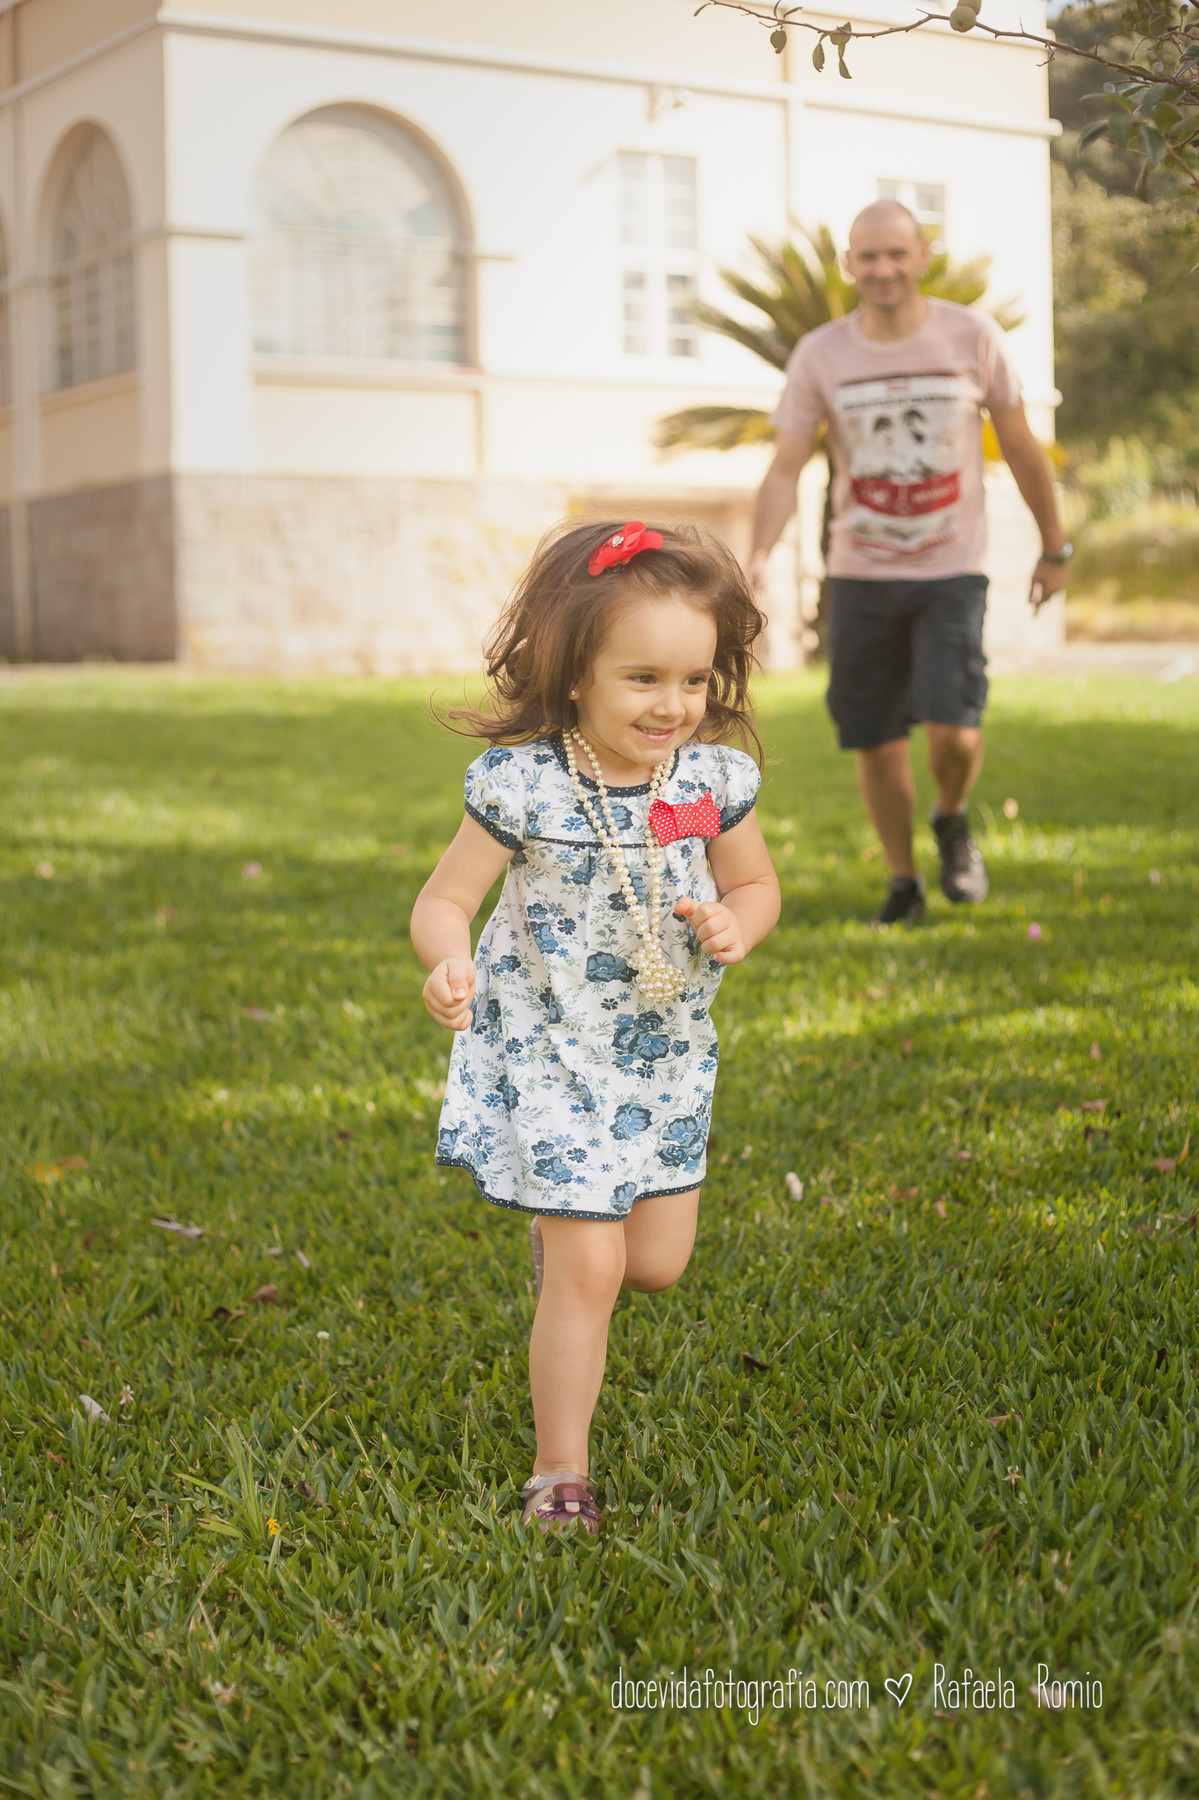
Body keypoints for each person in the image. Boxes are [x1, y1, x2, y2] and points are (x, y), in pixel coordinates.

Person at [410, 519, 780, 1535]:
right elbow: (443, 901)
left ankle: (558, 1225)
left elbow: (752, 881)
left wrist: (734, 923)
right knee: (594, 1266)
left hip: (660, 1053)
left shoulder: (704, 785)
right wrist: (446, 959)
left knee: (654, 1262)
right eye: (642, 678)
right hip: (545, 1047)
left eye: (693, 681)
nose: (671, 705)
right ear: (574, 673)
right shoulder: (524, 786)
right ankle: (557, 1473)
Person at [749, 199, 1072, 925]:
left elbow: (1020, 446)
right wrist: (759, 554)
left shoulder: (970, 337)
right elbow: (783, 467)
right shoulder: (820, 354)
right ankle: (903, 882)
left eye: (896, 254)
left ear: (920, 257)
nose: (883, 269)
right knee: (876, 736)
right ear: (849, 266)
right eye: (868, 257)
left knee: (954, 728)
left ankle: (951, 816)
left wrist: (1055, 545)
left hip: (950, 568)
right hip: (860, 573)